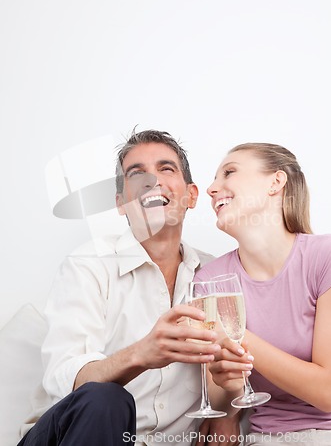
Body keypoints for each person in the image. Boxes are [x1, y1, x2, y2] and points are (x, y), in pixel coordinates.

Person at [18, 129, 240, 446]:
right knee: (104, 398)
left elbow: (231, 369)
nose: (152, 181)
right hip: (66, 436)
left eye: (166, 169)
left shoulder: (217, 276)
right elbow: (63, 379)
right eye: (137, 174)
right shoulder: (88, 264)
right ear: (122, 203)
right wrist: (141, 354)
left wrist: (227, 415)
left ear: (191, 195)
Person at [194, 142, 331, 446]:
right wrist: (228, 388)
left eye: (229, 172)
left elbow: (328, 393)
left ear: (276, 182)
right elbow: (219, 401)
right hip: (264, 437)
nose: (211, 189)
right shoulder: (208, 281)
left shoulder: (326, 257)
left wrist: (236, 335)